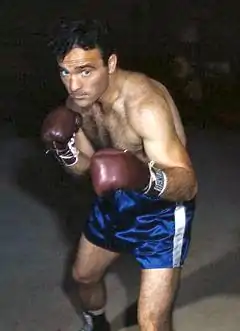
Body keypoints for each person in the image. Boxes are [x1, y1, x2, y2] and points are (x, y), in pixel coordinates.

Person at [41, 19, 198, 331]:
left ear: (110, 63)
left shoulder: (144, 105)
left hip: (162, 212)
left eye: (85, 71)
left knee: (151, 322)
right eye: (65, 72)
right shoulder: (78, 102)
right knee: (83, 277)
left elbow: (188, 185)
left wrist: (143, 177)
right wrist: (65, 151)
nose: (74, 85)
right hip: (115, 200)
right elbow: (85, 169)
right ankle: (96, 325)